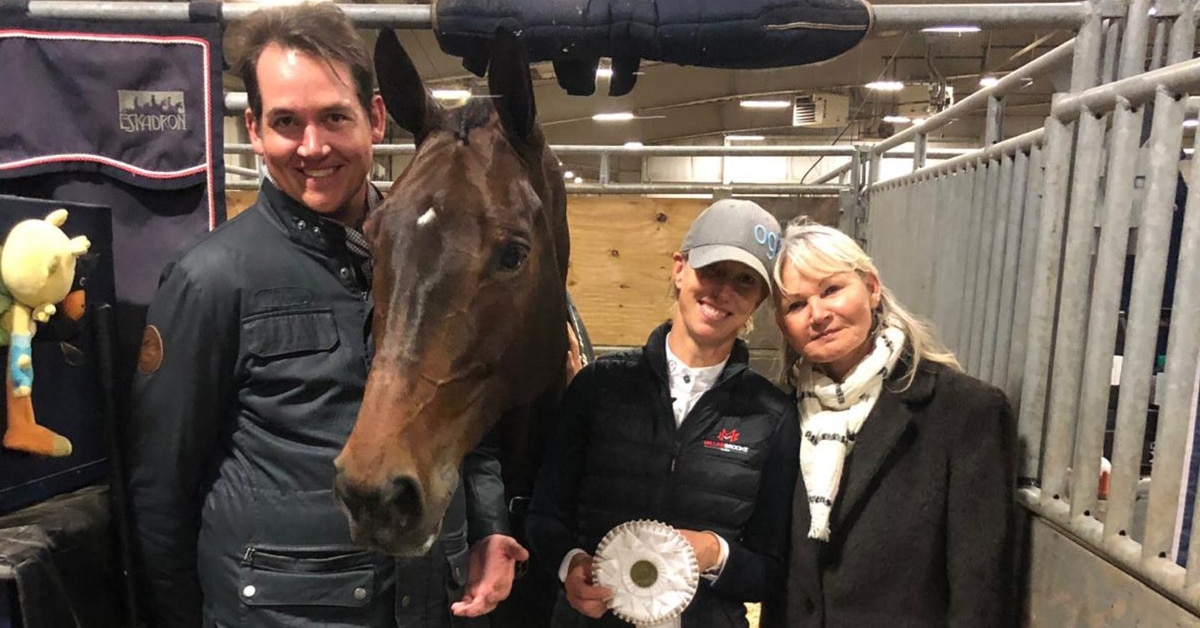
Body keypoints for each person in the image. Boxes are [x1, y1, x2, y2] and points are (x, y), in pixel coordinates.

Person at [124, 4, 523, 627]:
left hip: (432, 606)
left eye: (335, 117)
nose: (312, 147)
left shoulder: (435, 256)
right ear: (255, 130)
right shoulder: (212, 279)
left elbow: (471, 410)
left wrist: (488, 529)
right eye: (287, 122)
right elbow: (159, 493)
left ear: (376, 118)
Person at [526, 199, 800, 627]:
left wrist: (715, 553)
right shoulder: (599, 386)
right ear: (679, 269)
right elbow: (545, 514)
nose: (723, 291)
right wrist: (570, 564)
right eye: (712, 270)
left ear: (759, 300)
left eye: (745, 281)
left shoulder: (772, 416)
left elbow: (772, 568)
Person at [769, 218, 1015, 627]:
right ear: (783, 326)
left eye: (831, 290)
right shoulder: (785, 414)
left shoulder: (965, 411)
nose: (818, 314)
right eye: (796, 305)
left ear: (872, 287)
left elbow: (980, 590)